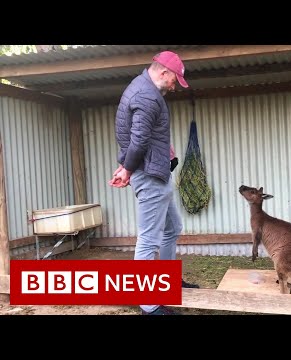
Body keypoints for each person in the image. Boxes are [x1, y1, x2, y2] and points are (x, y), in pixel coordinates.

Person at [109, 50, 198, 316]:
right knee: (149, 239)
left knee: (172, 228)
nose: (174, 86)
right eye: (174, 81)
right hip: (149, 176)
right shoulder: (147, 96)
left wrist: (128, 164)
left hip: (157, 173)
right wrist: (127, 168)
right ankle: (148, 304)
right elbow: (138, 140)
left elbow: (139, 134)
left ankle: (166, 282)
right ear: (163, 72)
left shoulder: (144, 89)